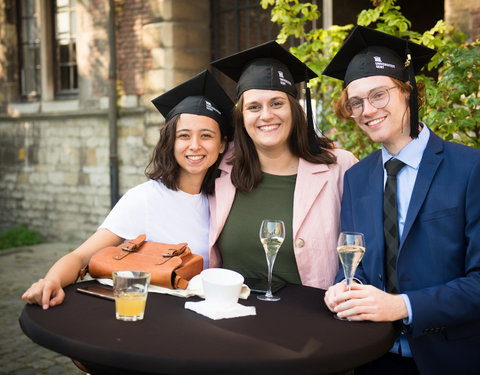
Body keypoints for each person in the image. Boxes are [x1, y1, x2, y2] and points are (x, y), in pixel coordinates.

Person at [322, 26, 480, 375]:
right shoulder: (356, 178)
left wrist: (402, 305)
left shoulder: (470, 168)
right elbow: (355, 262)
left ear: (408, 91)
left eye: (379, 95)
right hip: (372, 357)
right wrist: (344, 288)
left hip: (450, 359)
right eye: (356, 102)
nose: (367, 110)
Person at [22, 70, 233, 310]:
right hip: (155, 318)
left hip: (206, 316)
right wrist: (51, 281)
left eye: (206, 135)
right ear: (171, 142)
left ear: (221, 145)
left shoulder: (222, 200)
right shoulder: (145, 198)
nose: (195, 145)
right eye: (184, 135)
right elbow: (81, 257)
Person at [209, 41, 358, 289]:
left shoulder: (340, 167)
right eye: (254, 107)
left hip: (310, 318)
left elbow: (366, 247)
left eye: (277, 103)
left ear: (294, 109)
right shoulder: (219, 167)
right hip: (231, 317)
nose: (266, 115)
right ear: (242, 118)